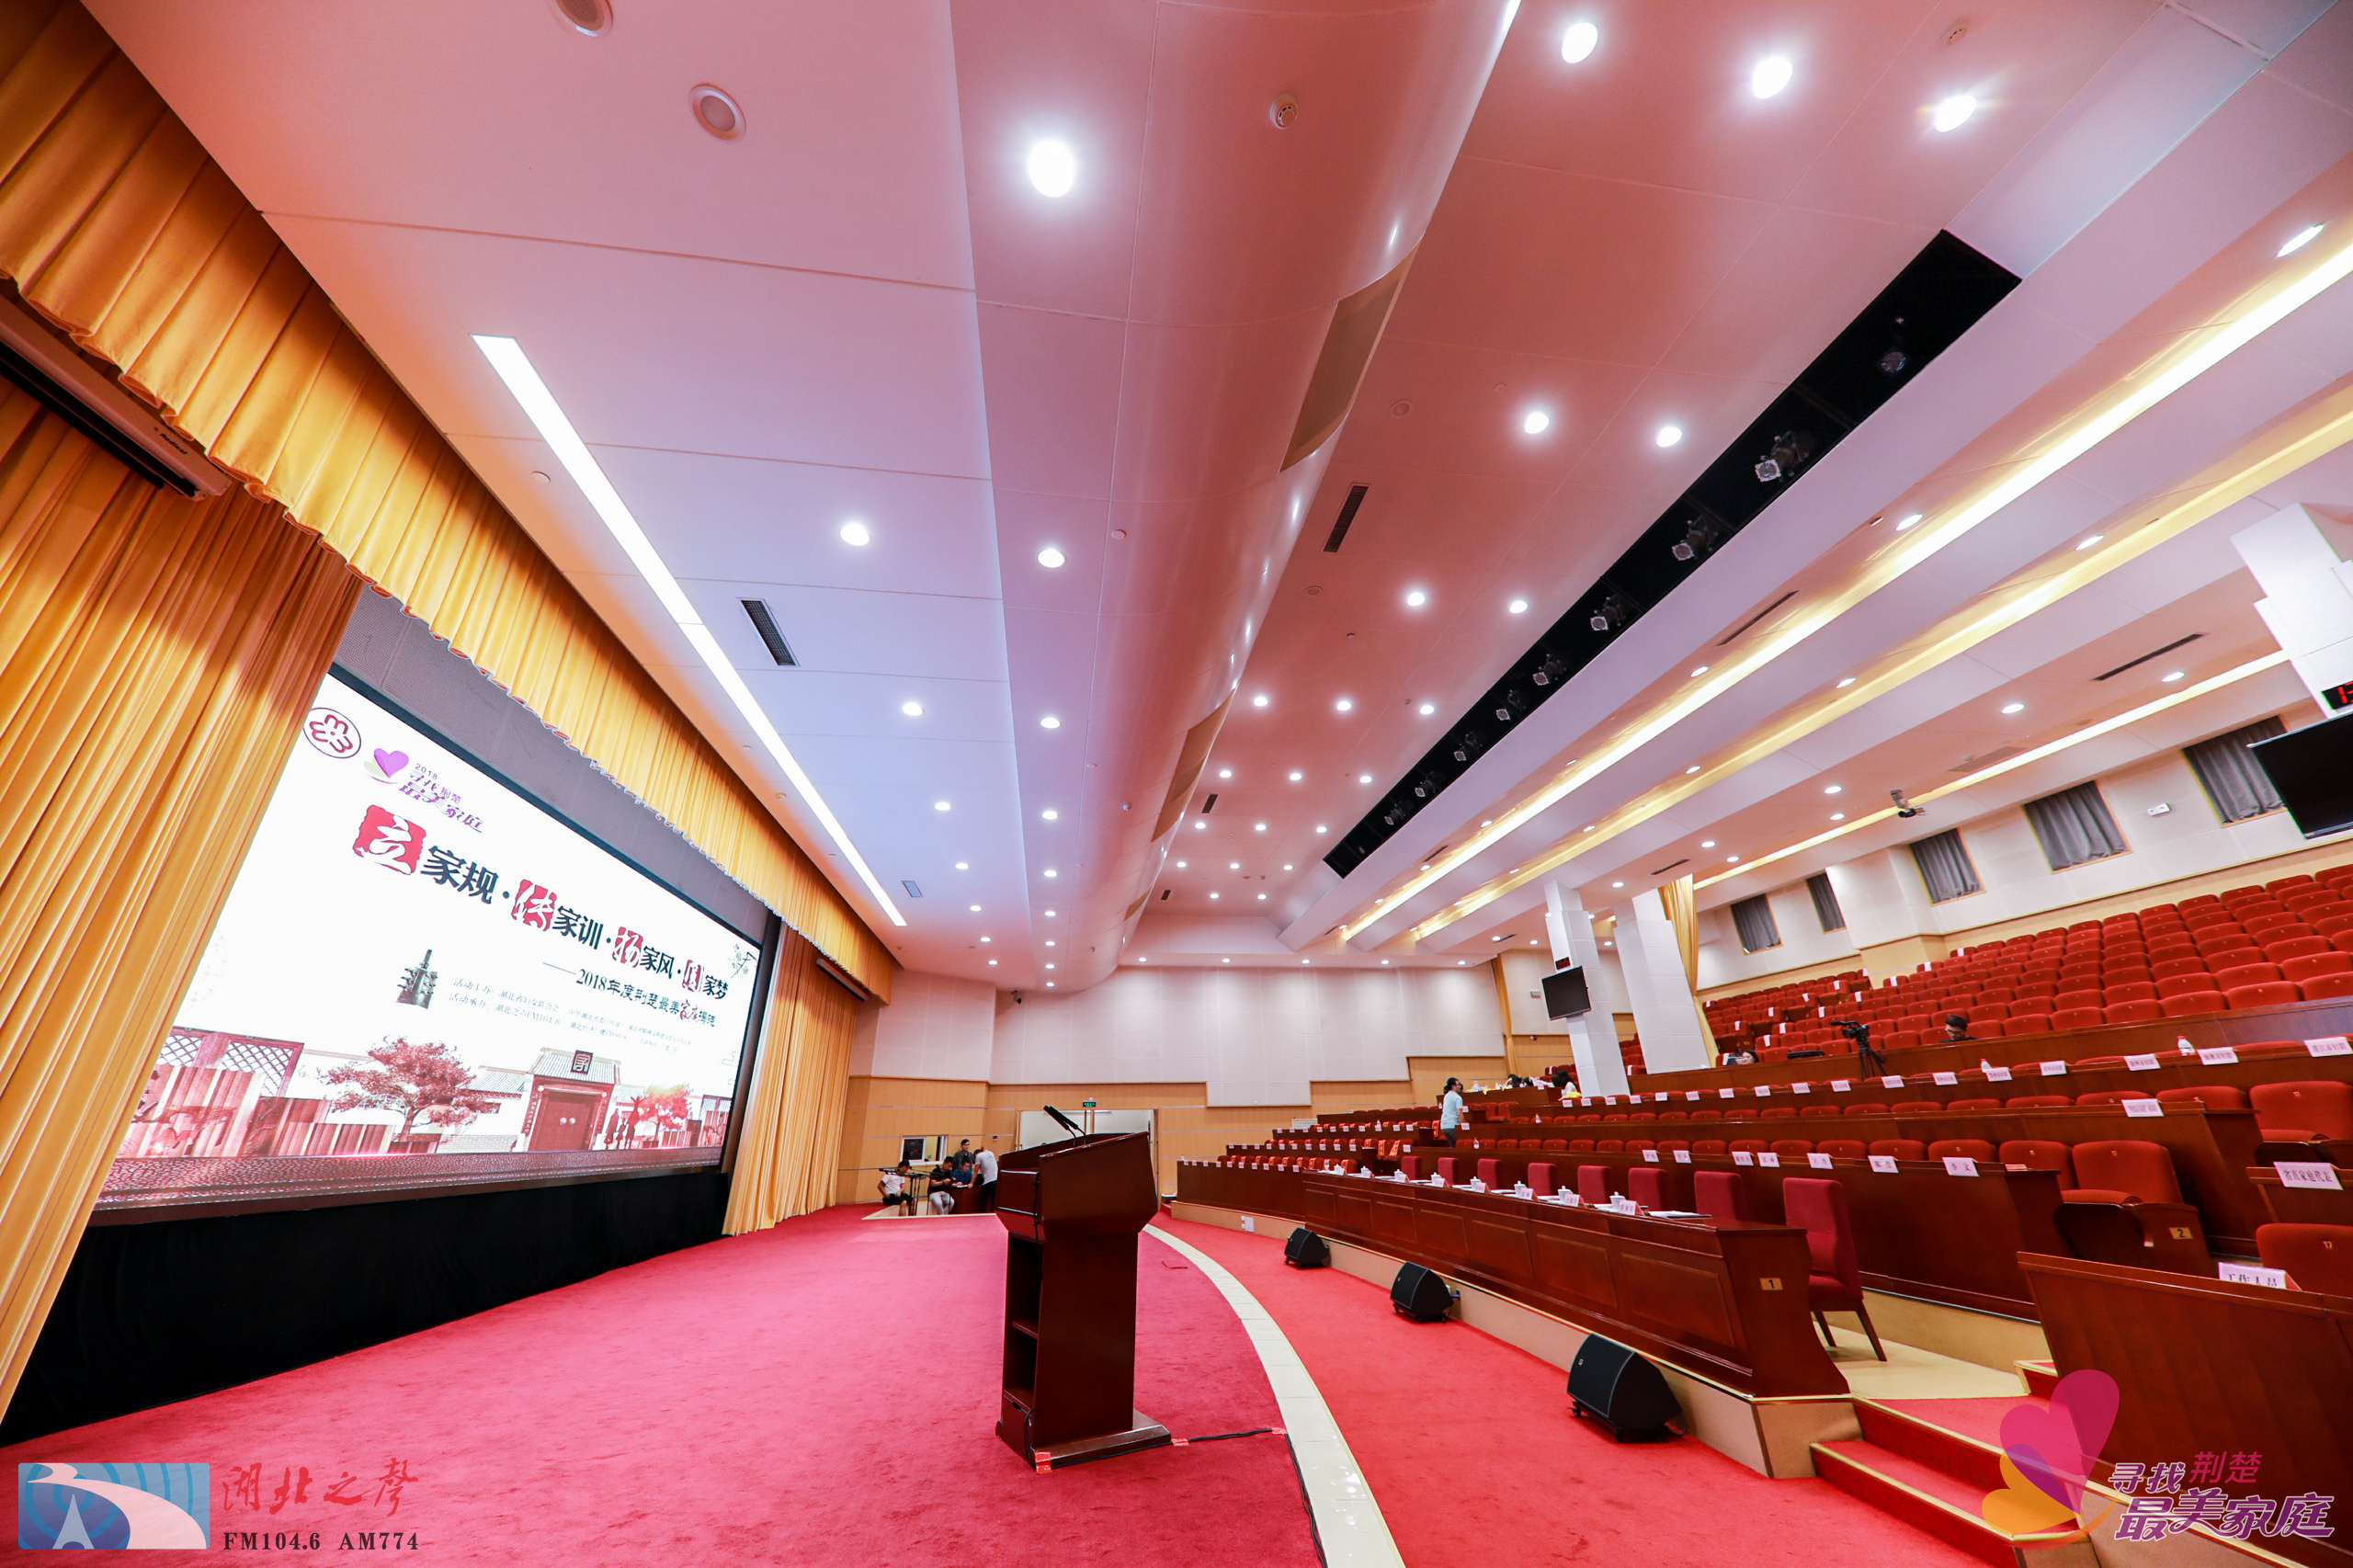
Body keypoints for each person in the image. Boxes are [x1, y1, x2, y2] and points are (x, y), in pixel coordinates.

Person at [973, 1139, 999, 1212]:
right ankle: (993, 1214)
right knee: (994, 1202)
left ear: (976, 1155)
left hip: (988, 1182)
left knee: (982, 1202)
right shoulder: (990, 1153)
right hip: (996, 1180)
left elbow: (975, 1171)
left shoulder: (978, 1156)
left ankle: (982, 1215)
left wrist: (971, 1183)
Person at [1438, 1077, 1464, 1145]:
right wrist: (1463, 1125)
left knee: (1453, 1146)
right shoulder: (1457, 1098)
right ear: (1453, 1086)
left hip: (1444, 1126)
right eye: (1458, 1084)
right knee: (1461, 1144)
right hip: (1452, 1125)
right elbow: (1459, 1113)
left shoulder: (1446, 1096)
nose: (1460, 1086)